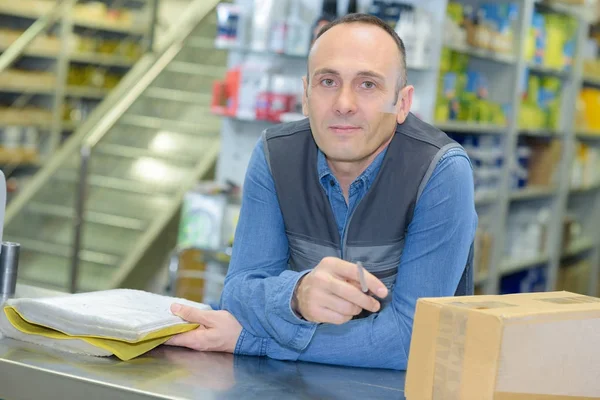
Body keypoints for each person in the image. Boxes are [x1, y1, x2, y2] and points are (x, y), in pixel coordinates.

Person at [165, 13, 478, 371]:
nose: (344, 103)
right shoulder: (275, 155)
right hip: (292, 386)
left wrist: (255, 341)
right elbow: (238, 294)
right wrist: (297, 296)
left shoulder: (439, 171)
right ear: (306, 95)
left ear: (403, 103)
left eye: (368, 85)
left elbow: (411, 340)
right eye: (328, 81)